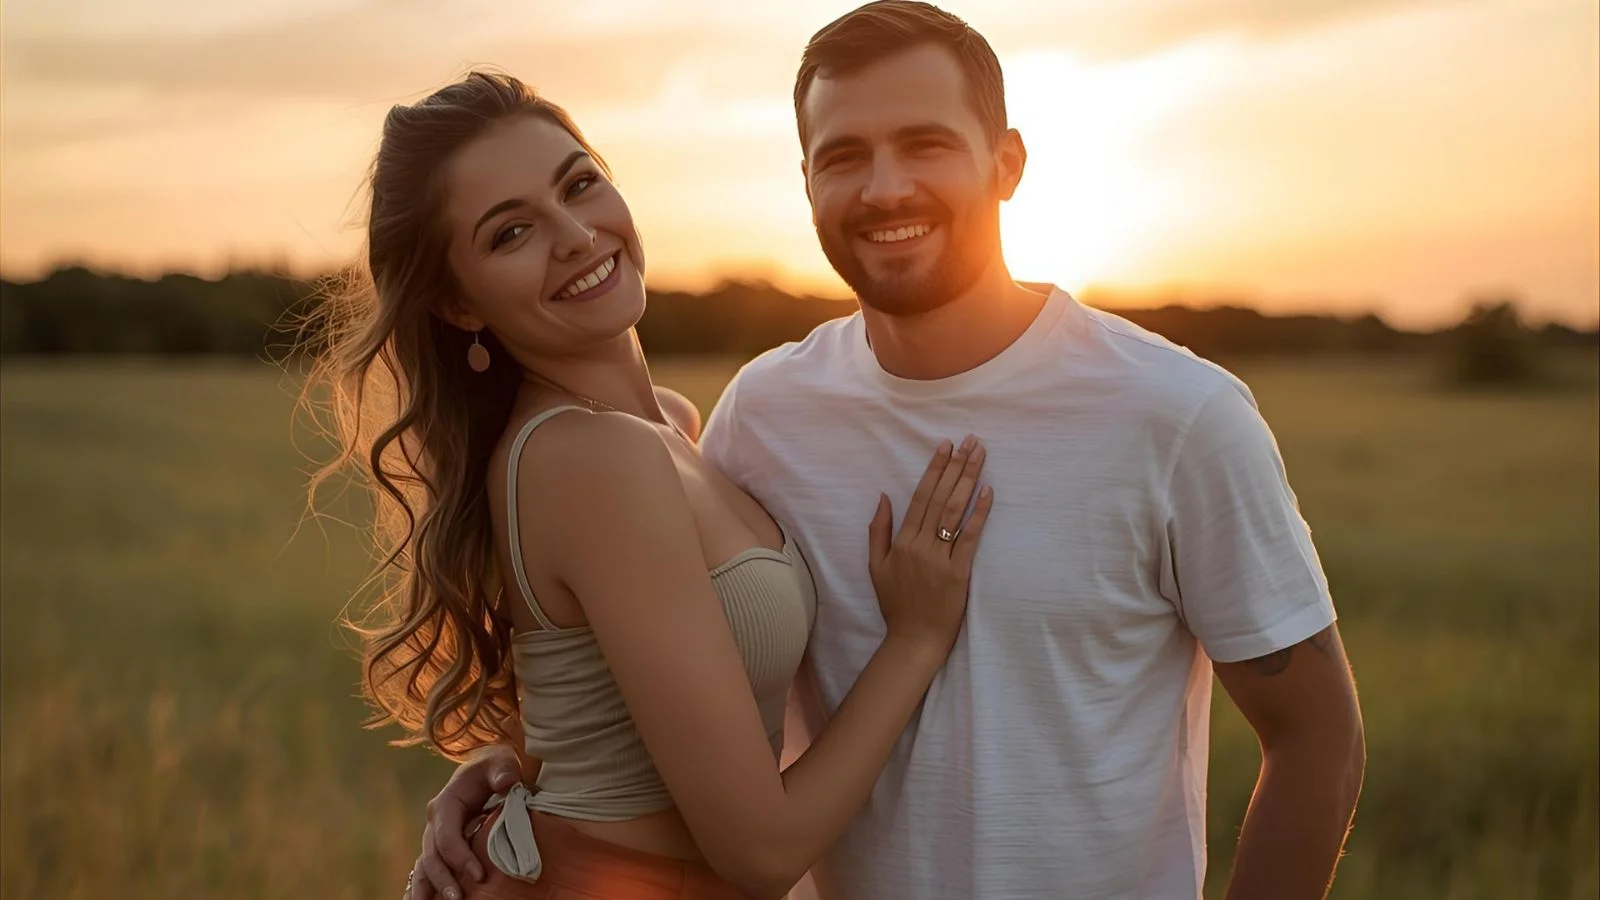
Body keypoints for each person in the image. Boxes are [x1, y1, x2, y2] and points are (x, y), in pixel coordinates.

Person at [413, 2, 1367, 899]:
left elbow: (1316, 736)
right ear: (806, 181)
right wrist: (526, 774)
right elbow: (672, 680)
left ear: (1007, 163)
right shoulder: (765, 413)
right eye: (844, 155)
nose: (885, 188)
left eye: (925, 145)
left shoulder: (1178, 414)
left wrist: (526, 773)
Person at [304, 67, 1002, 900]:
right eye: (510, 234)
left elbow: (615, 703)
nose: (573, 234)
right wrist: (916, 639)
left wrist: (504, 765)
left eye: (580, 185)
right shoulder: (588, 458)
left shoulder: (668, 424)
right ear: (459, 305)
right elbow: (764, 850)